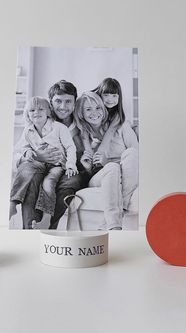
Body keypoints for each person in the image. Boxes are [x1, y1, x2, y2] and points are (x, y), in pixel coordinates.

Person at [20, 80, 89, 229]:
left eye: (68, 101)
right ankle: (29, 228)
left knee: (69, 182)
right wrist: (37, 156)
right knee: (32, 178)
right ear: (50, 103)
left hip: (70, 169)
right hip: (43, 166)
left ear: (74, 103)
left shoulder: (81, 126)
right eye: (58, 101)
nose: (63, 107)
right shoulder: (39, 121)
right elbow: (21, 149)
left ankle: (49, 226)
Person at [10, 96, 78, 229]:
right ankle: (13, 204)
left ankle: (47, 218)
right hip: (38, 164)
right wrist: (27, 152)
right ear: (27, 114)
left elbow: (70, 147)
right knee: (26, 169)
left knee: (48, 183)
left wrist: (71, 164)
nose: (36, 112)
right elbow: (20, 148)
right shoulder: (28, 130)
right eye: (32, 110)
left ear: (48, 111)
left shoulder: (58, 127)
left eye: (41, 109)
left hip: (56, 165)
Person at [74, 91, 138, 230]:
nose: (94, 113)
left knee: (132, 153)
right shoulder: (80, 135)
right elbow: (84, 175)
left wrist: (108, 159)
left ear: (103, 108)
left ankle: (112, 223)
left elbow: (137, 156)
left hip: (126, 174)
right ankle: (114, 225)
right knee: (111, 167)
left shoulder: (121, 127)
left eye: (97, 108)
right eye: (88, 109)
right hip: (99, 176)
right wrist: (87, 167)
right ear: (81, 113)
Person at [79, 78, 125, 171]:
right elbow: (84, 133)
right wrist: (89, 152)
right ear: (100, 94)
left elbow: (110, 132)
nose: (110, 99)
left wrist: (100, 152)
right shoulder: (92, 101)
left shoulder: (116, 115)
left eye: (114, 95)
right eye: (106, 95)